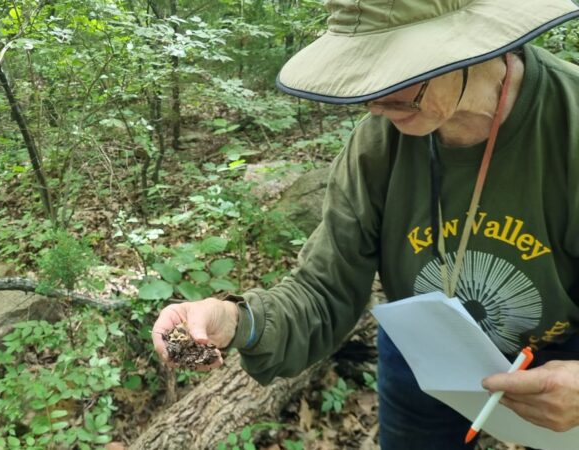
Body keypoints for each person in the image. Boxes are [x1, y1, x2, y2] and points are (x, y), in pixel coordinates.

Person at [152, 0, 579, 448]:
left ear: (472, 45)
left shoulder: (566, 125)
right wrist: (235, 319)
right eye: (368, 79)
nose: (376, 104)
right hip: (426, 350)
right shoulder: (379, 144)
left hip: (560, 352)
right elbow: (322, 290)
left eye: (399, 74)